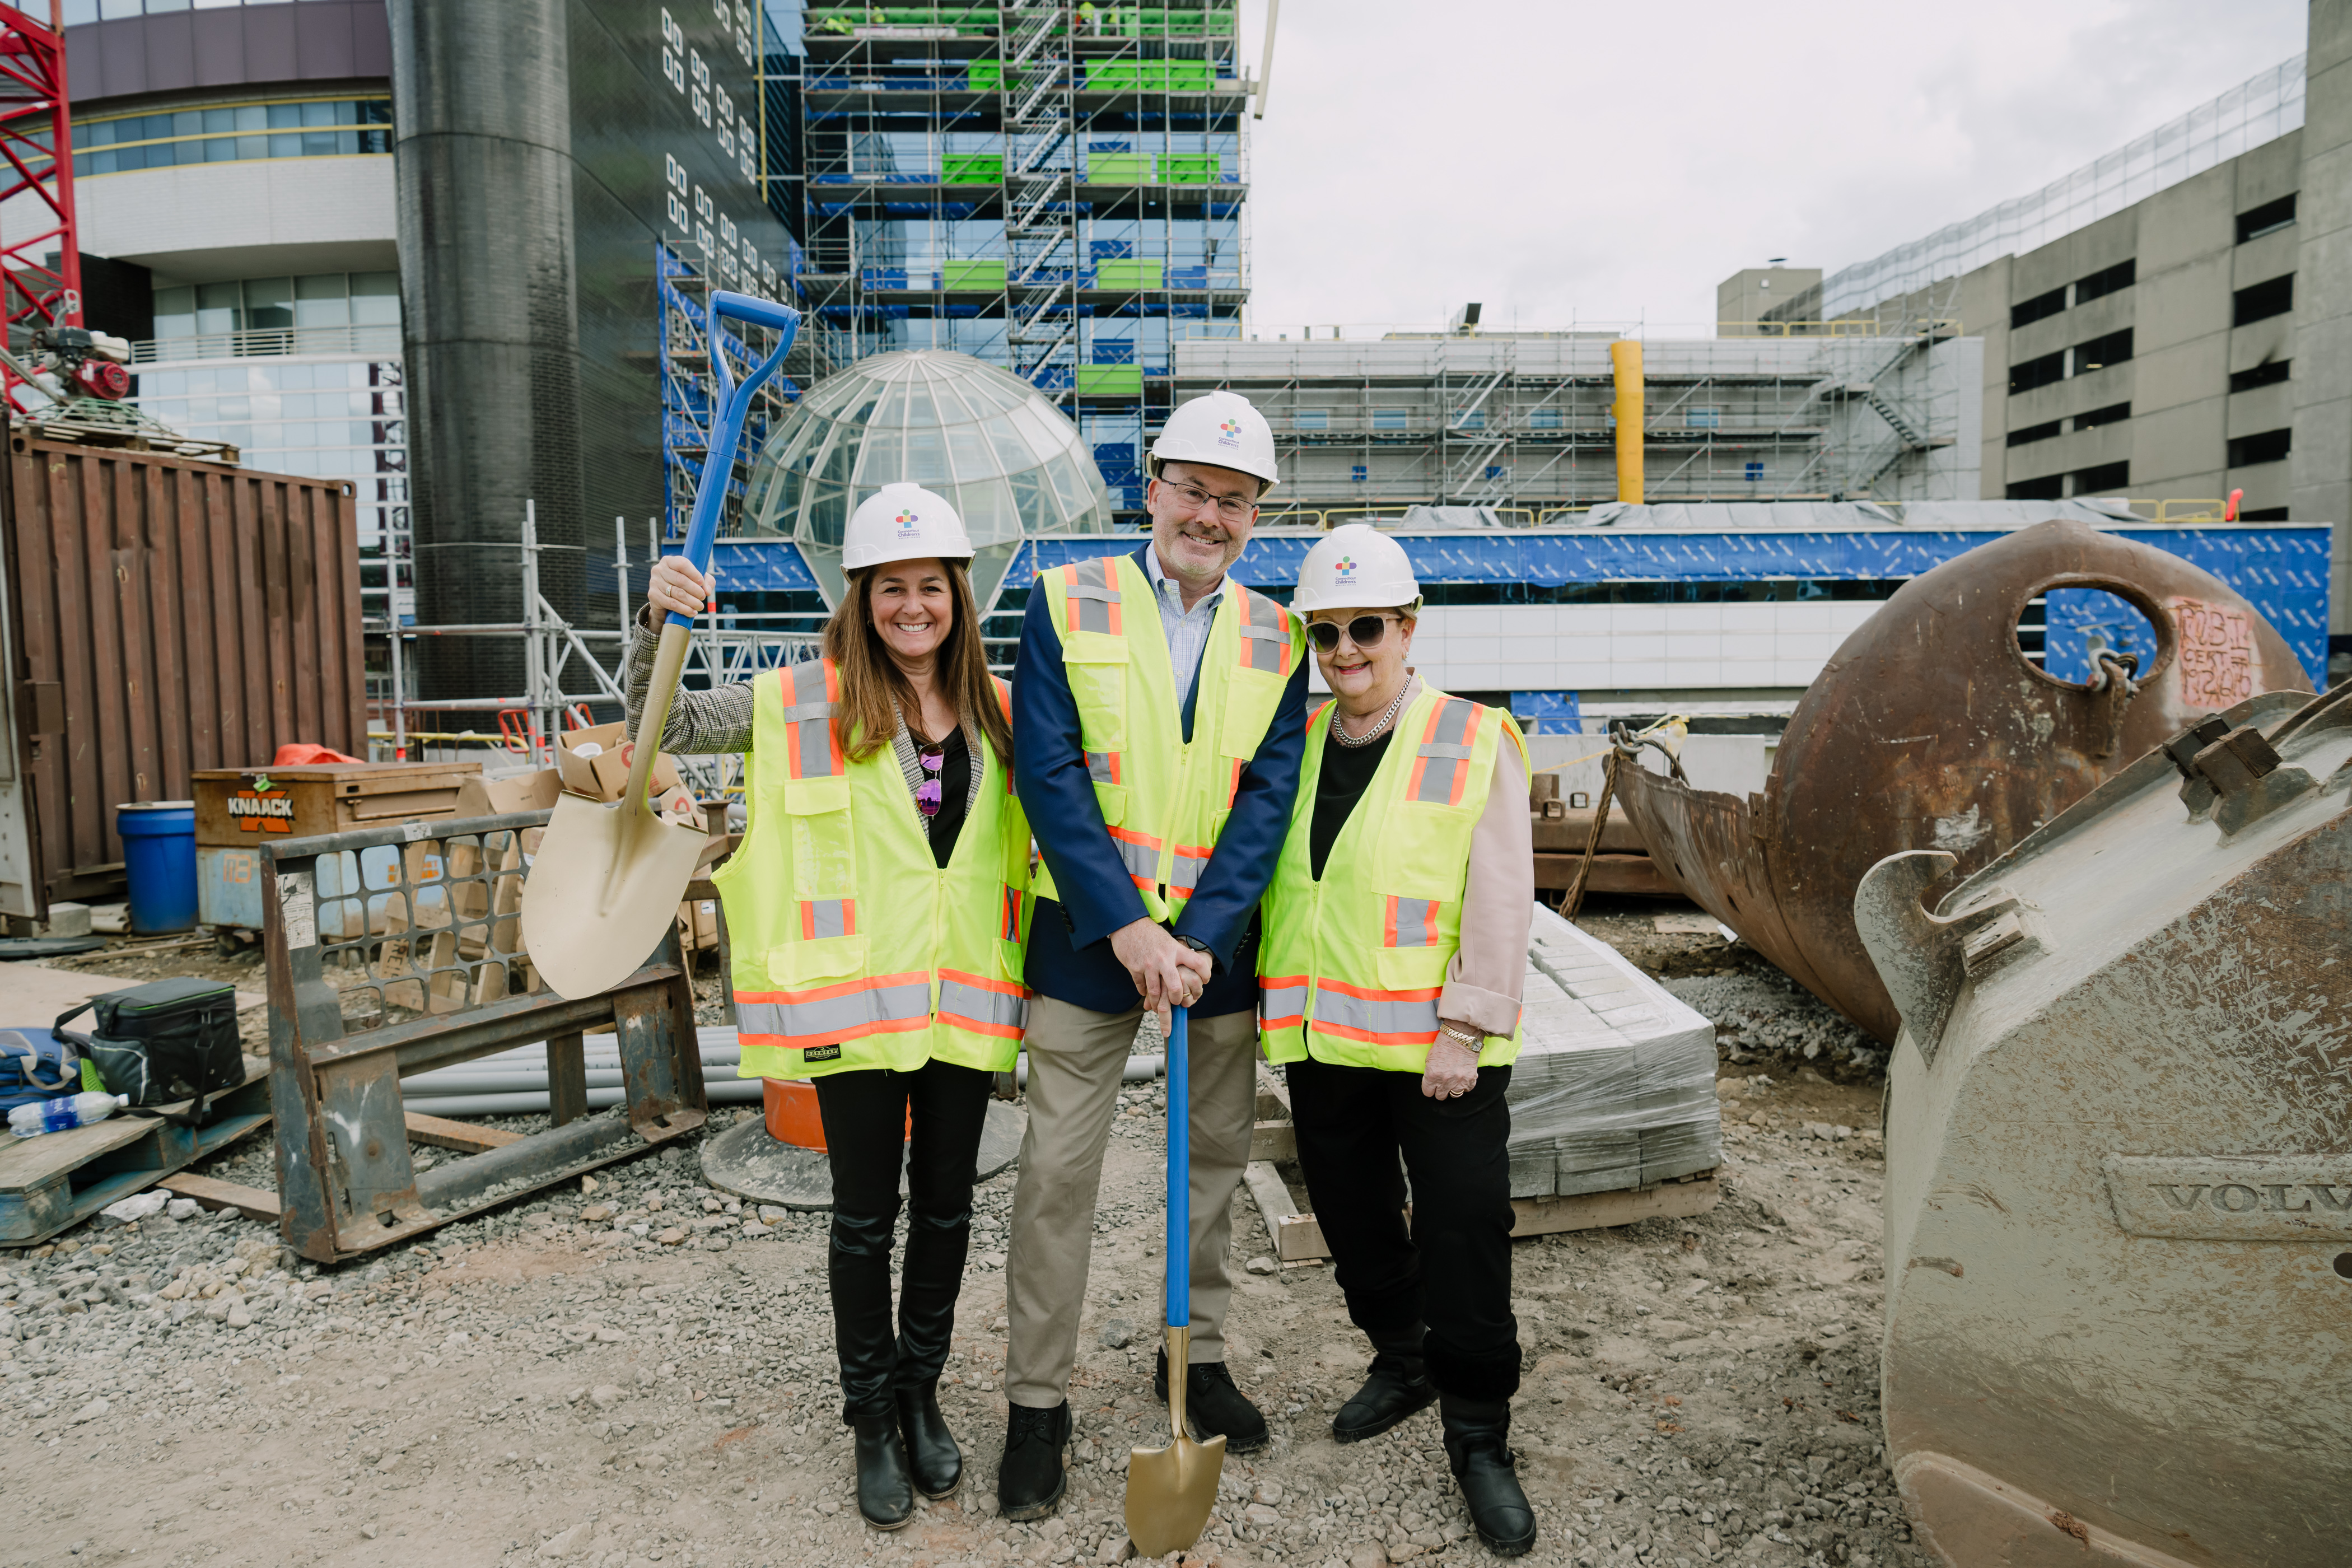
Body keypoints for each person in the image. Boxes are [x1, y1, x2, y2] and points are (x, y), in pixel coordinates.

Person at [625, 483, 1032, 1532]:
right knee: (865, 1218)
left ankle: (921, 1391)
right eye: (890, 588)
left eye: (930, 588)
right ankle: (868, 1420)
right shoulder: (794, 700)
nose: (912, 607)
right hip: (855, 1007)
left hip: (962, 1005)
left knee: (948, 1210)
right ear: (860, 597)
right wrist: (655, 621)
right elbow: (654, 721)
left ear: (959, 596)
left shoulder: (1000, 706)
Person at [996, 390, 1309, 1520]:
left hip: (1211, 948)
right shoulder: (1065, 602)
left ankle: (1198, 1355)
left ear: (1255, 516)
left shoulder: (1283, 636)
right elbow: (1052, 770)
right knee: (1057, 1177)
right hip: (1090, 941)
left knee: (1215, 1160)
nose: (1211, 515)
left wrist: (1198, 938)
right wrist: (1131, 928)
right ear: (1154, 488)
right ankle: (1038, 1402)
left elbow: (1267, 799)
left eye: (1235, 500)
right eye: (1194, 489)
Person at [1256, 524, 1539, 1556]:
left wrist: (1466, 1023)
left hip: (1439, 1045)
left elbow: (1502, 894)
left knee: (1464, 1226)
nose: (1344, 653)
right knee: (1354, 1216)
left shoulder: (1473, 739)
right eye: (1325, 634)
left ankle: (1478, 1432)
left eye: (1364, 629)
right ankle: (1401, 1355)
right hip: (1326, 1035)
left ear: (1408, 628)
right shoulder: (1295, 745)